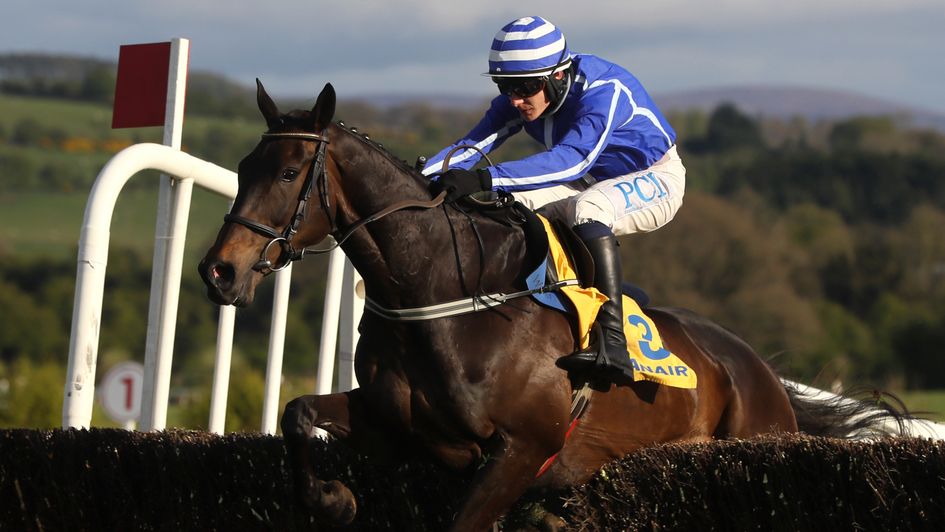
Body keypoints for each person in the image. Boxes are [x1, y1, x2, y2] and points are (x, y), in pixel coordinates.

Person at [423, 15, 686, 383]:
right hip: (584, 178)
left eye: (525, 88)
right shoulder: (522, 95)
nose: (515, 100)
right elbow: (472, 146)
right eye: (505, 86)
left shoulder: (604, 91)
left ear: (557, 76)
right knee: (506, 208)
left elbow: (571, 159)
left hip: (654, 175)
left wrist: (485, 177)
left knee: (587, 209)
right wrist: (417, 181)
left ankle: (613, 343)